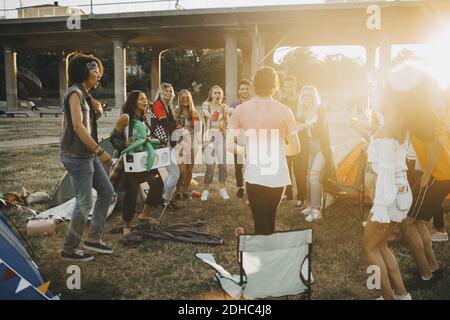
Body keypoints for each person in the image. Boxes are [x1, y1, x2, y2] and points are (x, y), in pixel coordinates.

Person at [385, 63, 449, 286]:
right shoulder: (422, 108)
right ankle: (432, 268)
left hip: (436, 175)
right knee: (418, 220)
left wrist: (426, 175)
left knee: (406, 222)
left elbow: (435, 145)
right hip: (439, 174)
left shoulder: (416, 111)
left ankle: (426, 276)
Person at [228, 66, 300, 235]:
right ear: (275, 85)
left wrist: (248, 152)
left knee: (261, 224)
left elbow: (229, 146)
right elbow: (296, 148)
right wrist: (279, 152)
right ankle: (270, 257)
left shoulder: (240, 109)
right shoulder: (285, 110)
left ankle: (263, 257)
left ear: (254, 84)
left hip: (255, 175)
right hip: (278, 175)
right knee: (270, 219)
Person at [59, 53, 114, 262]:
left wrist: (96, 112)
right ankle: (70, 249)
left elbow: (86, 123)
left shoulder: (86, 95)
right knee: (83, 203)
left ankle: (93, 239)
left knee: (107, 191)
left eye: (99, 70)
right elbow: (77, 126)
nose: (98, 74)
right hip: (76, 156)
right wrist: (102, 152)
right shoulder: (75, 93)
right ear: (83, 71)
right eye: (94, 70)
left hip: (86, 154)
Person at [361, 92, 412, 300]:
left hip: (389, 194)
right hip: (400, 191)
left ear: (391, 102)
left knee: (369, 246)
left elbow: (386, 173)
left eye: (382, 95)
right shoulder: (397, 123)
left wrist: (381, 210)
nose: (378, 98)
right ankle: (401, 295)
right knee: (380, 244)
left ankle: (388, 297)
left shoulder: (388, 129)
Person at [111, 90, 164, 236]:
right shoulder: (125, 118)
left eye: (146, 99)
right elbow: (113, 138)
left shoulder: (143, 118)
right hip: (131, 161)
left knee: (158, 185)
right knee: (132, 192)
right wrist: (124, 144)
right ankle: (126, 225)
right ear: (133, 101)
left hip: (145, 160)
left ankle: (144, 214)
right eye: (141, 99)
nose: (145, 101)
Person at [297, 85, 335, 222]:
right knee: (308, 176)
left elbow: (320, 128)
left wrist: (305, 126)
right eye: (303, 95)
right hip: (310, 147)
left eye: (309, 95)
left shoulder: (321, 110)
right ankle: (310, 205)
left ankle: (317, 210)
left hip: (321, 148)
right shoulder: (303, 112)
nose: (306, 98)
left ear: (314, 97)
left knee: (314, 176)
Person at [150, 83, 181, 210]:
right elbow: (164, 123)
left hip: (165, 142)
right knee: (175, 173)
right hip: (160, 143)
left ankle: (164, 200)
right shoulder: (158, 104)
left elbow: (171, 123)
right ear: (161, 92)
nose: (168, 93)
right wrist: (179, 127)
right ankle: (165, 201)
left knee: (171, 173)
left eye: (170, 91)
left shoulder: (167, 106)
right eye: (165, 91)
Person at [280, 75, 307, 208]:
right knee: (286, 168)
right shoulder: (282, 101)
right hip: (285, 139)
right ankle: (288, 193)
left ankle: (301, 197)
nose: (288, 89)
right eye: (285, 86)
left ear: (295, 86)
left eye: (290, 86)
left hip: (299, 138)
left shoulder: (300, 101)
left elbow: (304, 120)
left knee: (299, 170)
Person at [200, 85, 230, 201]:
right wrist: (211, 116)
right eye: (215, 93)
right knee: (210, 165)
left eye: (219, 93)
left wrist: (234, 111)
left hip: (221, 136)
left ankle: (223, 189)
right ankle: (205, 190)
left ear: (221, 95)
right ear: (211, 95)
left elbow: (229, 110)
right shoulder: (205, 104)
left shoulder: (223, 106)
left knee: (223, 164)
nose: (217, 95)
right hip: (209, 137)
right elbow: (205, 113)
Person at [174, 89, 201, 201]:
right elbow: (175, 128)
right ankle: (177, 190)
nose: (185, 99)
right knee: (182, 170)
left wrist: (194, 125)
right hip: (180, 144)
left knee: (189, 169)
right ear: (179, 99)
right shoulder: (176, 112)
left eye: (187, 97)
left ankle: (184, 191)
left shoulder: (193, 112)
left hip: (192, 143)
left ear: (190, 99)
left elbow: (198, 128)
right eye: (182, 97)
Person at [229, 79, 252, 199]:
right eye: (242, 89)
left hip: (251, 138)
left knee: (251, 163)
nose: (244, 91)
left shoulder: (254, 104)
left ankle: (251, 186)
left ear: (250, 89)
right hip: (238, 137)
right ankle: (240, 187)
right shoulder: (234, 105)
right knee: (239, 164)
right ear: (238, 91)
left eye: (247, 89)